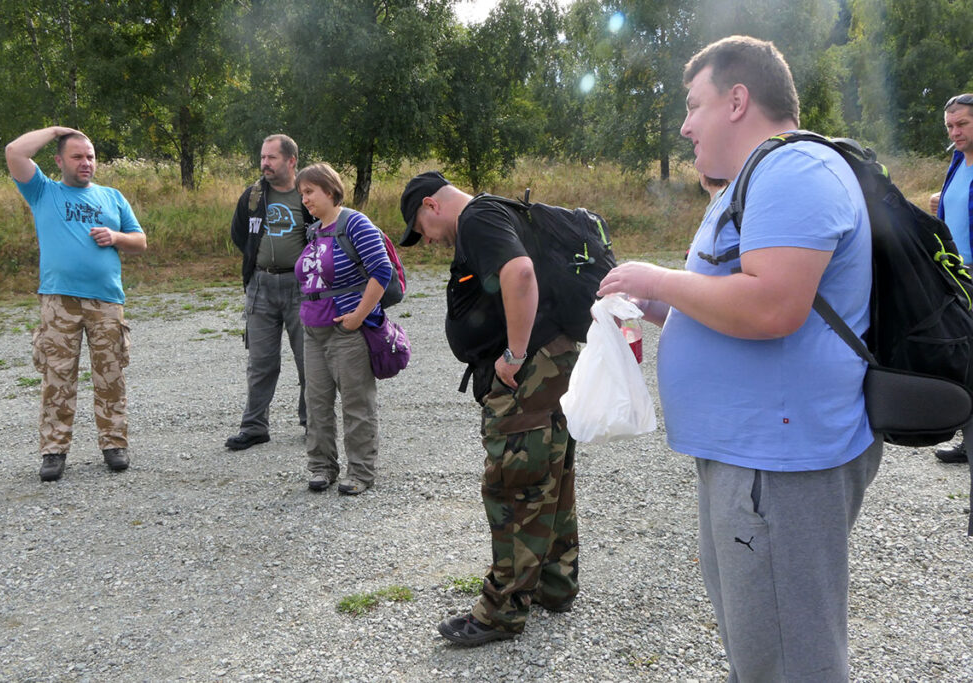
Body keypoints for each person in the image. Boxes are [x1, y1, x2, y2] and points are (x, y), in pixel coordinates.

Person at [598, 36, 882, 681]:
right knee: (762, 645)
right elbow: (740, 303)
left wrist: (660, 277)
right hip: (753, 454)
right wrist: (656, 305)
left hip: (775, 460)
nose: (684, 123)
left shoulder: (791, 170)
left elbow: (772, 308)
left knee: (788, 658)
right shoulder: (753, 180)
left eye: (693, 104)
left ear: (737, 99)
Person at [399, 171, 580, 646]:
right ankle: (556, 583)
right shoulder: (496, 211)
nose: (430, 240)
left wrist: (515, 354)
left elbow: (519, 273)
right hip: (554, 359)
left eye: (422, 228)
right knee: (551, 473)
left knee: (513, 484)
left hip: (530, 369)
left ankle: (502, 611)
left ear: (430, 205)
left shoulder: (477, 218)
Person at [5, 126, 147, 482]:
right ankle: (54, 451)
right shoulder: (43, 192)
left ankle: (114, 444)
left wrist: (116, 237)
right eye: (77, 156)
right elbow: (14, 152)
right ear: (59, 160)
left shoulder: (112, 197)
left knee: (110, 376)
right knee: (57, 378)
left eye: (91, 157)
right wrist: (56, 130)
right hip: (59, 300)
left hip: (106, 301)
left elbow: (140, 240)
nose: (86, 163)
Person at [294, 163, 391, 495]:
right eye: (301, 193)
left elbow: (382, 270)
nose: (304, 199)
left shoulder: (355, 224)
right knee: (317, 402)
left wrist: (359, 316)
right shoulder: (315, 230)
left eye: (309, 192)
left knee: (356, 403)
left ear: (330, 190)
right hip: (314, 330)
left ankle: (361, 472)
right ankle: (322, 467)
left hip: (346, 330)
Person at [226, 134, 313, 451]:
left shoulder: (309, 195)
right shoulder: (252, 196)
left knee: (310, 360)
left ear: (291, 161)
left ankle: (313, 423)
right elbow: (240, 234)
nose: (264, 163)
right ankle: (254, 427)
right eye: (263, 157)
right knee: (260, 362)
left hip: (303, 288)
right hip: (260, 286)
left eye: (272, 157)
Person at [929, 94, 973, 465]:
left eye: (962, 124)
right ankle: (967, 440)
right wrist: (940, 203)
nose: (955, 132)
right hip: (958, 273)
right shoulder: (958, 161)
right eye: (950, 126)